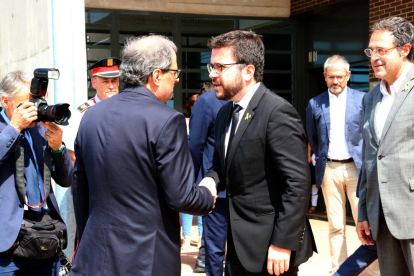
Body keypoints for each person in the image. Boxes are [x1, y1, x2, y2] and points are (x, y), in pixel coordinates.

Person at [71, 34, 216, 276]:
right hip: (145, 259)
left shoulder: (91, 116)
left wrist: (90, 237)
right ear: (157, 75)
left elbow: (80, 189)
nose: (177, 80)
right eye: (175, 72)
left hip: (95, 255)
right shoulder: (167, 119)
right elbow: (181, 197)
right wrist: (207, 195)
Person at [200, 30, 316, 276]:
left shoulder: (277, 112)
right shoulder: (224, 113)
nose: (212, 75)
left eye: (220, 67)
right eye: (211, 67)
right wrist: (210, 182)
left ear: (248, 71)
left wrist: (283, 243)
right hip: (238, 244)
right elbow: (220, 166)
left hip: (272, 250)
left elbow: (297, 184)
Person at [306, 55, 378, 274]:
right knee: (335, 226)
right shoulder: (315, 103)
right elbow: (312, 139)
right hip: (329, 170)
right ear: (324, 76)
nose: (335, 81)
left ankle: (371, 271)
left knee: (365, 224)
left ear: (348, 75)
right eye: (331, 77)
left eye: (339, 76)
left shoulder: (363, 100)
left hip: (357, 170)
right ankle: (339, 270)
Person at [0, 70, 73, 275]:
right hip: (7, 244)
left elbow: (66, 179)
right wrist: (14, 127)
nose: (33, 111)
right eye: (26, 105)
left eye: (35, 103)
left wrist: (58, 148)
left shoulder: (39, 128)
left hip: (44, 236)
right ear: (6, 101)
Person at [357, 16, 414, 275]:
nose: (374, 57)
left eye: (382, 50)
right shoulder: (370, 99)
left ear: (405, 50)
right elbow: (371, 158)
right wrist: (363, 212)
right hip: (381, 217)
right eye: (371, 51)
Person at [188, 83, 230, 275]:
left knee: (239, 254)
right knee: (214, 252)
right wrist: (191, 183)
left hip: (245, 192)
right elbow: (195, 145)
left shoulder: (250, 99)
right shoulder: (206, 101)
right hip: (215, 191)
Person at [62, 57, 121, 164]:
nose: (111, 86)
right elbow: (72, 154)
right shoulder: (82, 113)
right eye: (105, 81)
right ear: (94, 83)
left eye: (114, 81)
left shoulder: (126, 108)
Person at [181, 93, 203, 251]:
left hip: (201, 167)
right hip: (186, 167)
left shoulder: (204, 122)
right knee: (188, 204)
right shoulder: (183, 122)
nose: (195, 108)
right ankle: (186, 238)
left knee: (202, 202)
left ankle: (202, 237)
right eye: (193, 104)